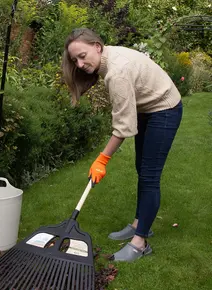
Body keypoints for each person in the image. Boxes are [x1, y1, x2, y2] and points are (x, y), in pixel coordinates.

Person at [62, 28, 183, 262]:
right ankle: (141, 224)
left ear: (97, 46)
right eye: (74, 59)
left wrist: (102, 159)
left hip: (165, 109)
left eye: (82, 55)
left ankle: (139, 244)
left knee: (149, 175)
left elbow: (124, 127)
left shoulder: (117, 71)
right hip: (148, 109)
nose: (79, 64)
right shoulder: (108, 60)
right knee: (142, 168)